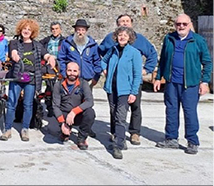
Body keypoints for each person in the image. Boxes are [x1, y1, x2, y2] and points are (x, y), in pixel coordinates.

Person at [154, 14, 212, 155]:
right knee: (171, 111)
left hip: (190, 84)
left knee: (190, 112)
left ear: (190, 24)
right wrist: (158, 78)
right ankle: (171, 139)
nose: (181, 26)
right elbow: (163, 60)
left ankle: (192, 141)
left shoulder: (198, 40)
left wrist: (204, 82)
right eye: (178, 24)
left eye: (184, 24)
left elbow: (207, 62)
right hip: (172, 83)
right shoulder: (169, 39)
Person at [99, 13, 158, 146]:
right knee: (115, 109)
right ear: (117, 25)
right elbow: (100, 52)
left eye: (127, 21)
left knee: (135, 106)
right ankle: (115, 132)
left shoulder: (140, 39)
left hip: (133, 81)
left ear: (131, 23)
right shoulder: (110, 39)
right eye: (121, 21)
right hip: (115, 81)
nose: (125, 23)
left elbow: (152, 54)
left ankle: (134, 132)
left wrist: (146, 69)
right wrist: (104, 68)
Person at [0, 19, 56, 142]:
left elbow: (46, 55)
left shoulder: (37, 45)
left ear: (33, 32)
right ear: (20, 30)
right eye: (24, 29)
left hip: (30, 79)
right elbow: (13, 52)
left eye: (29, 29)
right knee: (11, 104)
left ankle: (25, 129)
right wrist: (14, 55)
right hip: (16, 77)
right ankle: (7, 129)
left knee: (28, 105)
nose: (26, 31)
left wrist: (50, 58)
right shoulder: (14, 42)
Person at [101, 26, 142, 160]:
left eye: (125, 35)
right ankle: (119, 136)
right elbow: (102, 61)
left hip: (125, 90)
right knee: (113, 113)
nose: (122, 37)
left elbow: (137, 75)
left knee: (120, 116)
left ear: (130, 38)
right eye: (120, 35)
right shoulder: (112, 50)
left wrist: (133, 92)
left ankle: (118, 145)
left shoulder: (134, 53)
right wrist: (104, 69)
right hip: (111, 88)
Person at [52, 61, 95, 150]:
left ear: (79, 72)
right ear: (65, 71)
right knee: (56, 112)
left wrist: (74, 112)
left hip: (78, 114)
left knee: (90, 112)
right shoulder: (58, 85)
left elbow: (90, 101)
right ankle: (64, 131)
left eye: (75, 71)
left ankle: (82, 138)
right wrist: (62, 122)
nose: (72, 73)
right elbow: (55, 106)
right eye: (69, 70)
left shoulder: (83, 84)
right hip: (64, 114)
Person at [58, 19, 102, 87]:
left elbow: (97, 61)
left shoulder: (93, 44)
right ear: (75, 30)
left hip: (88, 79)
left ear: (86, 31)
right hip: (71, 79)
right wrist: (64, 74)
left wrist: (96, 76)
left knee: (87, 97)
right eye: (78, 30)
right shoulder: (67, 43)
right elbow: (61, 59)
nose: (80, 32)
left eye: (83, 30)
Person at [40, 21, 65, 117]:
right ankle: (50, 106)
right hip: (48, 64)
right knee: (50, 84)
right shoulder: (46, 40)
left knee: (58, 86)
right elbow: (39, 48)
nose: (54, 31)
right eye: (53, 29)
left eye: (56, 29)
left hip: (60, 64)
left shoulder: (65, 41)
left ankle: (57, 106)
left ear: (60, 29)